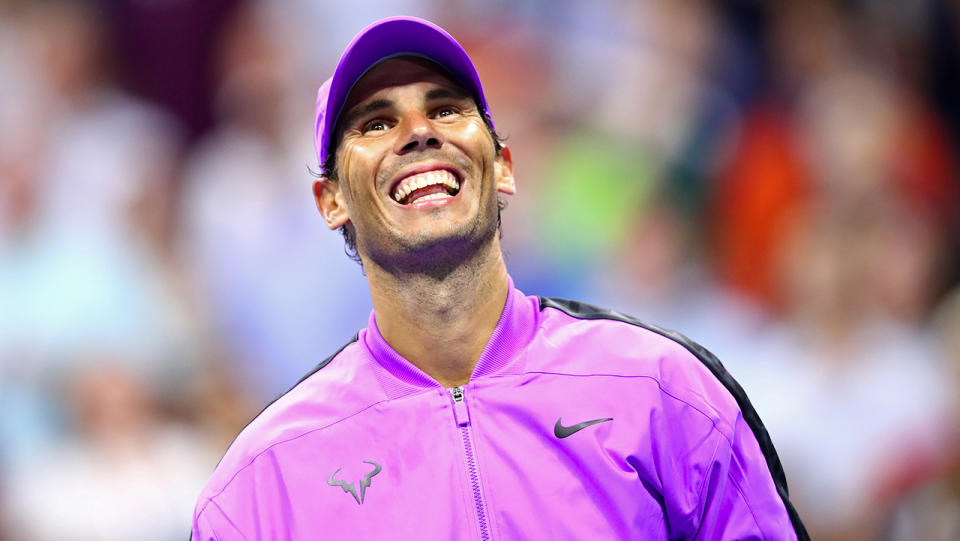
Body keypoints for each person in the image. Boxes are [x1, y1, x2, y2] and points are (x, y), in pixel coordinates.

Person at [192, 17, 808, 540]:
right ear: (331, 201)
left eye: (446, 108)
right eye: (376, 123)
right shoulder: (261, 483)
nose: (420, 132)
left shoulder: (664, 391)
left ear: (504, 167)